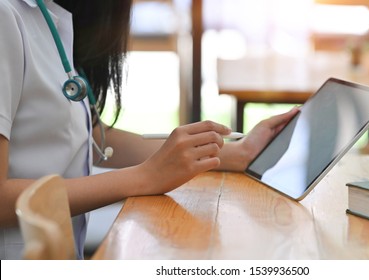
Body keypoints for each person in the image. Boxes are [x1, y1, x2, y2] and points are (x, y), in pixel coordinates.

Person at [0, 0, 299, 259]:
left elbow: (89, 136)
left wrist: (234, 153)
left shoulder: (50, 15)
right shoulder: (5, 17)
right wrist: (145, 177)